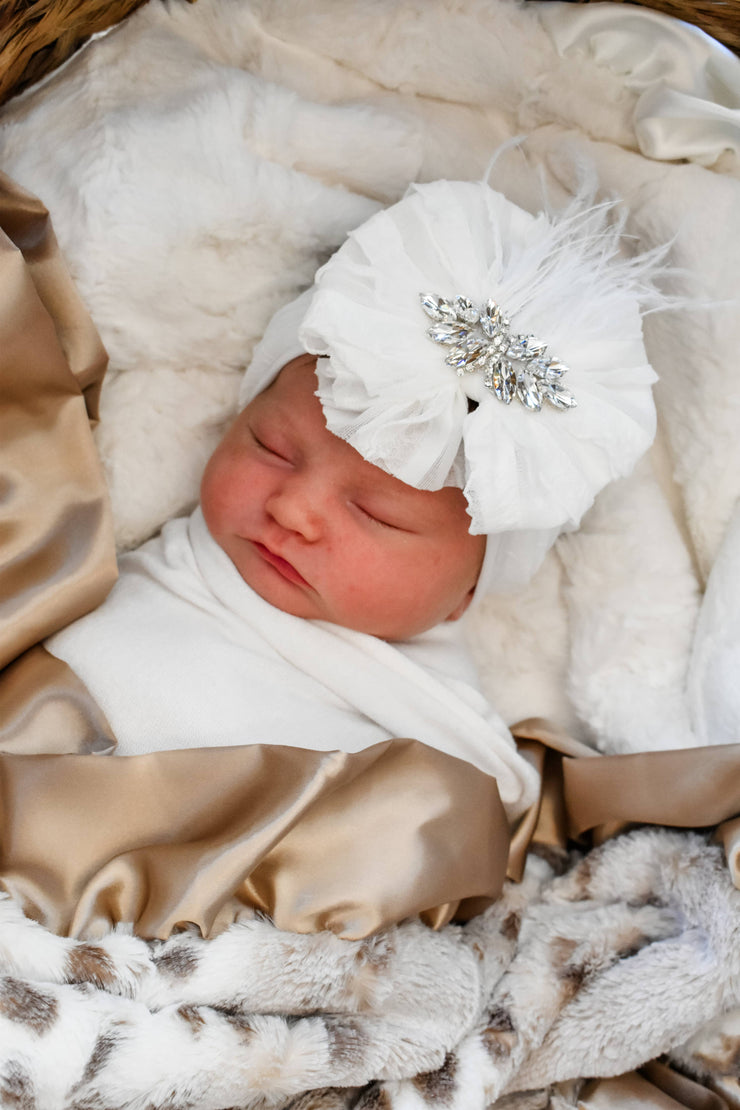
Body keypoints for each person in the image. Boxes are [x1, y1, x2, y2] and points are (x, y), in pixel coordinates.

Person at [44, 178, 666, 826]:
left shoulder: (437, 736)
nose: (293, 509)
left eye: (378, 513)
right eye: (271, 447)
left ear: (466, 593)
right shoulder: (134, 583)